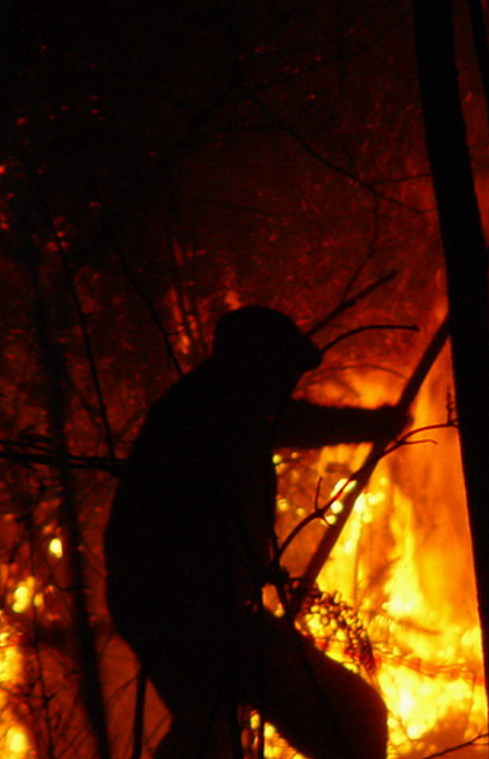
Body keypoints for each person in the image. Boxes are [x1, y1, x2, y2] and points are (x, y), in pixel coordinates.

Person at [104, 306, 402, 759]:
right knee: (344, 716)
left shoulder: (214, 402)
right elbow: (287, 423)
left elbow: (281, 421)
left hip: (202, 608)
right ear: (254, 364)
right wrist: (371, 425)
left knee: (211, 734)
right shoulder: (209, 409)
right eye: (282, 371)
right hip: (183, 611)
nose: (287, 385)